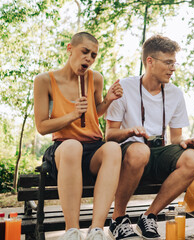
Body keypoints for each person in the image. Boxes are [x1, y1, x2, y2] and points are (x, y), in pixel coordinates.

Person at [106, 35, 194, 240]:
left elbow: (176, 137)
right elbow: (110, 136)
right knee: (140, 150)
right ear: (149, 62)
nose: (173, 68)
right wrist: (131, 131)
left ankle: (149, 215)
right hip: (130, 153)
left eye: (174, 62)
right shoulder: (123, 88)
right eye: (168, 62)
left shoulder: (175, 94)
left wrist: (185, 142)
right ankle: (118, 219)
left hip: (158, 153)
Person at [34, 32, 123, 240]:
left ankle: (96, 230)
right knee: (73, 145)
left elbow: (93, 112)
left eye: (93, 55)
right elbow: (42, 126)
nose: (89, 59)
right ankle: (72, 231)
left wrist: (108, 101)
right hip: (64, 150)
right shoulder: (44, 81)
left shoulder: (96, 78)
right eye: (85, 52)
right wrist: (72, 114)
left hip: (93, 149)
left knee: (112, 148)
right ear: (69, 49)